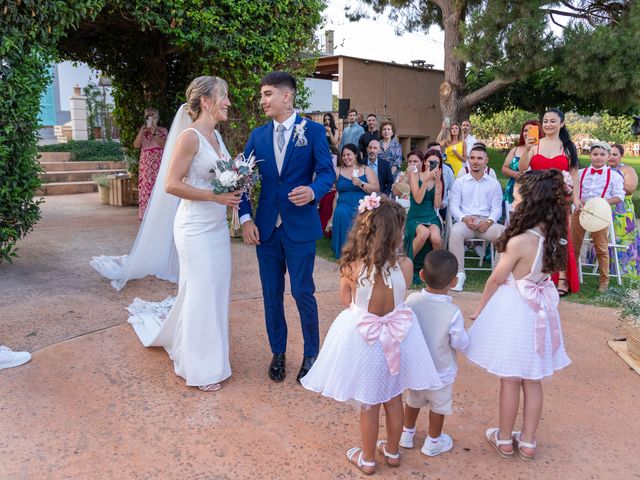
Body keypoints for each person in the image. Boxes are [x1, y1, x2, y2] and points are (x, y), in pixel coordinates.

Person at [301, 196, 443, 475]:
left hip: (365, 339)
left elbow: (347, 301)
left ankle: (367, 459)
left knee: (369, 402)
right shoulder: (405, 265)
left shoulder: (352, 266)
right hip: (399, 336)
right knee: (393, 397)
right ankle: (392, 452)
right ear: (395, 233)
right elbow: (400, 296)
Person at [124, 76, 239, 392]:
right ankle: (199, 366)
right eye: (224, 96)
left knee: (215, 290)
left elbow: (222, 176)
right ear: (206, 101)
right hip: (194, 229)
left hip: (215, 228)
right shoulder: (190, 137)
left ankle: (213, 355)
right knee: (201, 290)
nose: (228, 102)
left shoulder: (216, 136)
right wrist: (216, 197)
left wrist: (234, 187)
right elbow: (171, 184)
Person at [466, 169, 572, 462]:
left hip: (515, 311)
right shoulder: (555, 236)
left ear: (530, 202)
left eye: (516, 199)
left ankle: (503, 439)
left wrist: (480, 309)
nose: (512, 203)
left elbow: (496, 279)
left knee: (510, 379)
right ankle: (527, 442)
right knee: (533, 380)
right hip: (539, 309)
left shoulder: (519, 241)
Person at [240, 71, 335, 383]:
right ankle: (278, 353)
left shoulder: (314, 132)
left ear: (286, 96)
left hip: (299, 227)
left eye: (267, 94)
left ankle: (311, 354)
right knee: (271, 294)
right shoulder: (257, 136)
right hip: (266, 228)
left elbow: (326, 173)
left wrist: (313, 191)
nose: (262, 100)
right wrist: (245, 218)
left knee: (302, 291)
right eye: (262, 94)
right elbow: (240, 178)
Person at [400, 250, 469, 456]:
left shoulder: (412, 300)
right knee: (439, 406)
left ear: (422, 275)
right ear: (454, 281)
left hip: (416, 366)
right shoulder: (453, 313)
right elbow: (459, 342)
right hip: (441, 370)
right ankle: (433, 441)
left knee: (413, 400)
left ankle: (406, 434)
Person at [519, 108, 580, 296]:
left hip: (559, 198)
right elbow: (522, 169)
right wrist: (527, 149)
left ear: (561, 123)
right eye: (545, 121)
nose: (548, 124)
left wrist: (576, 198)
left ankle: (561, 277)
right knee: (536, 237)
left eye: (553, 121)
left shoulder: (568, 147)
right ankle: (535, 275)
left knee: (559, 237)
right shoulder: (535, 145)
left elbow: (574, 174)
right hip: (536, 198)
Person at [449, 144, 505, 291]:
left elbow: (497, 208)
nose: (475, 161)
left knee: (504, 233)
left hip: (486, 223)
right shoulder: (460, 182)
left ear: (486, 160)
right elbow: (454, 207)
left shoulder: (493, 184)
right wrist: (464, 218)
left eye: (479, 158)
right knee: (455, 232)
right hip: (466, 222)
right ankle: (459, 274)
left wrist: (489, 221)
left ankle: (498, 275)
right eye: (472, 158)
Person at [572, 142, 624, 292]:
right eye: (595, 154)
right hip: (580, 211)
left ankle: (604, 280)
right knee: (574, 246)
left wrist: (600, 203)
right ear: (590, 156)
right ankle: (572, 277)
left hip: (600, 214)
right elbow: (573, 192)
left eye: (602, 155)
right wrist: (578, 200)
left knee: (601, 248)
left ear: (608, 156)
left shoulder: (614, 176)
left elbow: (619, 196)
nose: (598, 158)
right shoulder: (580, 173)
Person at [328, 144, 379, 258]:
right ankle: (344, 253)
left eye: (349, 154)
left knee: (362, 214)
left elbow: (376, 188)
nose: (346, 157)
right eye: (344, 155)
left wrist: (361, 184)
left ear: (355, 155)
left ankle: (360, 252)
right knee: (341, 212)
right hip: (343, 204)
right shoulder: (338, 170)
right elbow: (328, 185)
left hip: (362, 204)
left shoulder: (366, 169)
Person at [603, 144, 640, 277]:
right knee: (603, 237)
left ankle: (625, 270)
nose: (611, 157)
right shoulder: (603, 169)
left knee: (622, 238)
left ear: (621, 155)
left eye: (615, 154)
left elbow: (630, 188)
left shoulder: (627, 170)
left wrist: (610, 186)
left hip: (621, 211)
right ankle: (604, 268)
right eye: (609, 154)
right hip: (604, 208)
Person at [402, 149, 443, 263]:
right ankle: (407, 264)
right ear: (425, 162)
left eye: (436, 163)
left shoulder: (438, 180)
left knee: (436, 238)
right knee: (424, 233)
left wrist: (438, 183)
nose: (433, 165)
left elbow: (437, 205)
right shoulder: (415, 176)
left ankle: (437, 267)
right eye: (430, 162)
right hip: (415, 216)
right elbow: (418, 199)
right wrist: (426, 181)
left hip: (430, 216)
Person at [133, 108, 168, 220]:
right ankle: (145, 215)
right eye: (148, 116)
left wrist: (154, 132)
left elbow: (164, 145)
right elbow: (136, 145)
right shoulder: (142, 131)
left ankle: (159, 214)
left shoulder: (162, 130)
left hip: (158, 163)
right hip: (146, 165)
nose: (150, 118)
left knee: (159, 188)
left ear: (157, 118)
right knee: (146, 188)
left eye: (152, 116)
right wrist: (141, 132)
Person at [502, 120, 542, 204]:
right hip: (514, 189)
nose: (527, 133)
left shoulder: (542, 149)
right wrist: (515, 174)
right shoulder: (515, 149)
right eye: (525, 130)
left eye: (530, 130)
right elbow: (504, 168)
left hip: (536, 191)